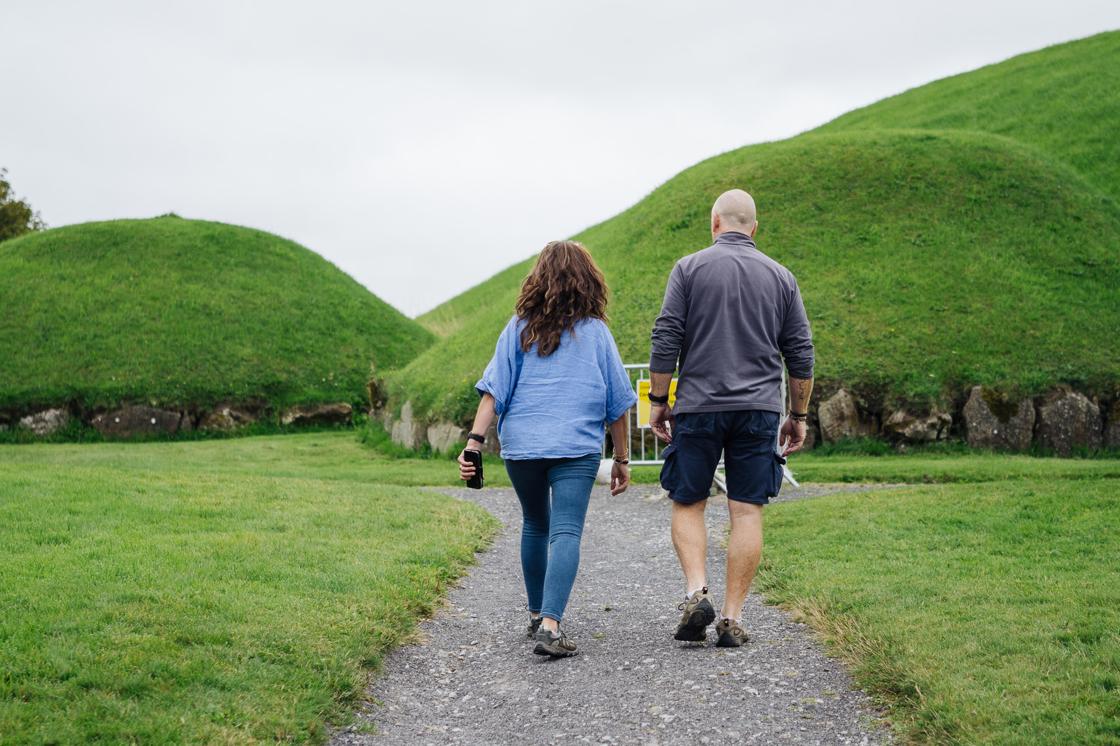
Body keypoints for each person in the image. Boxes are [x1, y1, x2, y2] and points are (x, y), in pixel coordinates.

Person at [647, 189, 815, 647]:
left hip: (699, 405)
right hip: (759, 409)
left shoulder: (688, 268)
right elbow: (800, 352)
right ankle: (732, 617)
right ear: (754, 229)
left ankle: (695, 592)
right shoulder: (782, 277)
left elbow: (667, 336)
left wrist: (659, 399)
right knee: (746, 510)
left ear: (714, 222)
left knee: (689, 502)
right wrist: (797, 414)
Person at [458, 240, 637, 658]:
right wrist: (622, 459)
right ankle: (552, 628)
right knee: (566, 530)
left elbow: (492, 393)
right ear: (588, 281)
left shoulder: (517, 328)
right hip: (576, 447)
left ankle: (538, 613)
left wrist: (474, 444)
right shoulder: (596, 333)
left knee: (535, 524)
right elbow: (619, 404)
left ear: (537, 279)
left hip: (523, 447)